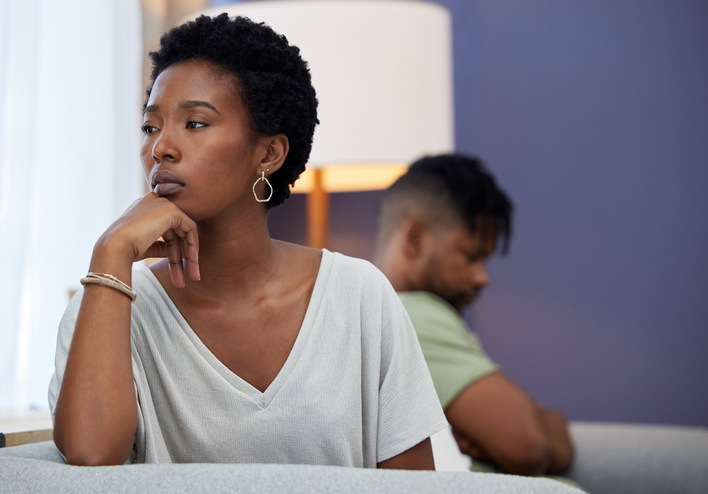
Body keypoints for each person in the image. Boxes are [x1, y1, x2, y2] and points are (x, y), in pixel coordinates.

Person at [48, 14, 446, 468]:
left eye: (195, 123)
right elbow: (90, 457)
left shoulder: (358, 297)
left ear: (269, 153)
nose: (160, 148)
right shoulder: (108, 303)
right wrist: (111, 251)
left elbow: (415, 484)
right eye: (150, 126)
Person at [374, 154, 574, 476]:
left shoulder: (387, 315)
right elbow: (530, 446)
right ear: (414, 239)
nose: (483, 278)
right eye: (471, 256)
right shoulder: (414, 314)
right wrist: (545, 422)